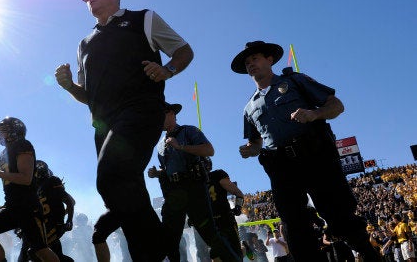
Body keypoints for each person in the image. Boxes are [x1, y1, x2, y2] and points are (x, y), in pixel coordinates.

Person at [55, 0, 194, 261]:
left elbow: (183, 51)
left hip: (141, 110)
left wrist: (167, 70)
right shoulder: (84, 44)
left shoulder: (143, 18)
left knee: (109, 179)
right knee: (127, 190)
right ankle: (158, 254)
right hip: (103, 125)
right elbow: (87, 96)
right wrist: (69, 86)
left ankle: (163, 247)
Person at [233, 41, 382, 261]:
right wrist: (250, 149)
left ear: (270, 60)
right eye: (247, 62)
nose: (250, 64)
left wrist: (314, 114)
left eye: (255, 58)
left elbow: (336, 105)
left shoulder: (294, 81)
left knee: (338, 214)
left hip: (315, 156)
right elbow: (256, 143)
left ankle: (369, 254)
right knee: (293, 224)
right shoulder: (249, 108)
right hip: (281, 166)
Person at [148, 102, 240, 261]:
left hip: (193, 188)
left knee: (210, 235)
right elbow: (169, 169)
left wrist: (181, 147)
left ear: (171, 113)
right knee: (169, 239)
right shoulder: (160, 145)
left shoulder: (188, 131)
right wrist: (158, 173)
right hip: (174, 193)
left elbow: (209, 150)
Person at [0, 117, 59, 262]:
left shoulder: (23, 145)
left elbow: (26, 179)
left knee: (40, 250)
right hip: (11, 206)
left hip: (28, 207)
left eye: (3, 130)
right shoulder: (2, 154)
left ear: (14, 131)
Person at [17, 160, 75, 262]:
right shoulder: (31, 190)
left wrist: (68, 219)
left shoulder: (52, 182)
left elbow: (70, 202)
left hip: (52, 226)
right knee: (28, 252)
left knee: (34, 252)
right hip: (39, 227)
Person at [208, 167, 246, 260]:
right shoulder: (195, 183)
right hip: (211, 224)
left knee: (236, 255)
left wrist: (238, 207)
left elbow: (239, 193)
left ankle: (244, 247)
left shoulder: (217, 175)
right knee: (216, 256)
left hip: (226, 220)